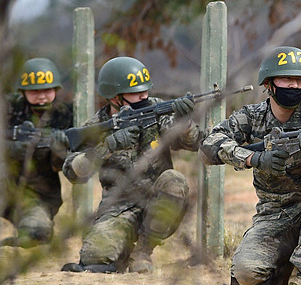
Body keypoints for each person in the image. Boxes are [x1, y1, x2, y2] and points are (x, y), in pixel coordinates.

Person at [200, 46, 301, 285]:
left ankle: (300, 278)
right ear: (269, 83)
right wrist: (253, 158)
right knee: (245, 275)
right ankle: (280, 274)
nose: (293, 85)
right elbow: (210, 146)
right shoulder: (251, 116)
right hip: (271, 215)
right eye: (286, 79)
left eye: (300, 80)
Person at [61, 56, 202, 273]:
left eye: (145, 90)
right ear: (115, 97)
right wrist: (107, 146)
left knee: (175, 181)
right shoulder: (97, 126)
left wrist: (185, 124)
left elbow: (194, 143)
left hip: (158, 197)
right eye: (136, 92)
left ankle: (143, 253)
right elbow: (73, 172)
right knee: (94, 258)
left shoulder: (157, 110)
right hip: (118, 207)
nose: (144, 95)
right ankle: (121, 252)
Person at [4, 58, 73, 247]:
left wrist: (61, 146)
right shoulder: (7, 108)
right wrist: (11, 149)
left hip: (39, 193)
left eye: (47, 90)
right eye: (34, 91)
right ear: (23, 91)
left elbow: (80, 157)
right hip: (0, 186)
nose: (41, 96)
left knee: (36, 233)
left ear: (56, 90)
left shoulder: (66, 114)